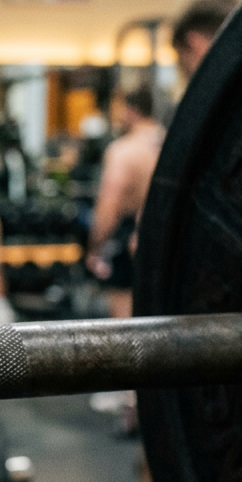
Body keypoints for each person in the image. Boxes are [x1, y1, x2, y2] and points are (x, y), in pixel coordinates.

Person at [102, 0, 238, 482]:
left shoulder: (198, 131)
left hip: (200, 335)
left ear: (191, 46)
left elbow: (159, 244)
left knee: (173, 471)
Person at [85, 87, 164, 320]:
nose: (117, 117)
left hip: (128, 242)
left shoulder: (124, 150)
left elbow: (109, 206)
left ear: (132, 110)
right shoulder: (173, 144)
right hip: (165, 241)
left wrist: (94, 248)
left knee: (127, 329)